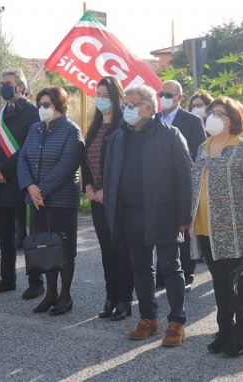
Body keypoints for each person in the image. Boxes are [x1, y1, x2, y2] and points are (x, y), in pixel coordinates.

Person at [103, 84, 192, 347]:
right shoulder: (118, 136)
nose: (126, 109)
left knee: (171, 267)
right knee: (141, 267)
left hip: (163, 212)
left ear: (148, 108)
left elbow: (185, 177)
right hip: (130, 213)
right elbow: (110, 178)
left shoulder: (170, 134)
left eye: (132, 104)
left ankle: (176, 322)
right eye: (124, 105)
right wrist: (112, 212)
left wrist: (185, 214)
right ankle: (148, 319)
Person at [191, 96, 243, 357]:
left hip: (236, 232)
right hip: (207, 230)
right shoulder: (204, 147)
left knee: (239, 286)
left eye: (220, 114)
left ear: (233, 120)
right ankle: (224, 331)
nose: (212, 116)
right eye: (211, 112)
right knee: (220, 283)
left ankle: (241, 337)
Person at [17, 86, 84, 316]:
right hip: (37, 200)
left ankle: (65, 296)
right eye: (40, 104)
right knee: (45, 248)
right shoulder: (34, 129)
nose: (42, 108)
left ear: (59, 105)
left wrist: (41, 190)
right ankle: (51, 293)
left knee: (63, 249)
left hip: (61, 200)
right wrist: (30, 187)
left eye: (46, 104)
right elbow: (22, 159)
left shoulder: (71, 131)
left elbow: (67, 165)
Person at [0, 69, 44, 299]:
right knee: (5, 234)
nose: (3, 86)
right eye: (1, 82)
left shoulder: (33, 113)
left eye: (8, 82)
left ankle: (36, 281)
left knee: (29, 236)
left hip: (22, 181)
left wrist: (3, 169)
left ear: (20, 86)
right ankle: (7, 278)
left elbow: (28, 148)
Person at [81, 76, 134, 320]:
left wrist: (108, 190)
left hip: (118, 200)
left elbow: (126, 166)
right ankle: (110, 297)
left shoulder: (124, 126)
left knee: (121, 249)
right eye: (98, 94)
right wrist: (89, 187)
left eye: (105, 95)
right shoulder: (94, 126)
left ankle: (125, 299)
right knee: (106, 250)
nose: (100, 99)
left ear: (116, 97)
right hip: (97, 199)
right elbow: (86, 162)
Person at [157, 80, 207, 291]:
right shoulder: (153, 119)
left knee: (184, 229)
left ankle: (186, 272)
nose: (164, 97)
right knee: (160, 229)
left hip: (183, 182)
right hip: (158, 183)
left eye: (168, 94)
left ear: (179, 97)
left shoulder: (192, 121)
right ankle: (162, 272)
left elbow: (200, 152)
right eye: (161, 93)